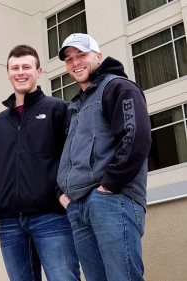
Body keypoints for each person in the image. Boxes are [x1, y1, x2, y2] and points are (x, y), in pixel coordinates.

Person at [57, 33, 151, 281]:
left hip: (112, 201)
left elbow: (136, 136)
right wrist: (62, 194)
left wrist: (109, 185)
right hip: (78, 205)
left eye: (81, 55)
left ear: (98, 56)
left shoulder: (119, 87)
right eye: (69, 59)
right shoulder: (76, 104)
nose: (75, 62)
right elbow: (67, 155)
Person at [0, 45, 80, 281]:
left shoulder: (58, 109)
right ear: (7, 73)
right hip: (9, 222)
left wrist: (62, 195)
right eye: (14, 68)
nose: (20, 72)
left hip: (52, 216)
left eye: (26, 67)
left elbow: (73, 156)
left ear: (39, 71)